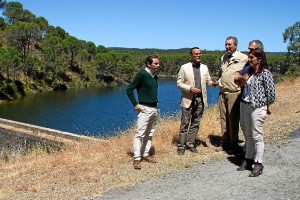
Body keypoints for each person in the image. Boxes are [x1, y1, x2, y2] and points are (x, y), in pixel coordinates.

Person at [236, 48, 275, 177]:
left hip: (258, 107)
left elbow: (271, 94)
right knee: (248, 134)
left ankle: (258, 163)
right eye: (249, 57)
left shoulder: (265, 74)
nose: (249, 59)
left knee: (257, 135)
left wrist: (265, 106)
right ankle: (248, 159)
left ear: (259, 59)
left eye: (252, 57)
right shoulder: (250, 72)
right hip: (247, 105)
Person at [177, 47, 218, 155]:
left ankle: (190, 144)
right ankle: (181, 146)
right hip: (188, 99)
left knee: (195, 124)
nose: (198, 55)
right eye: (196, 54)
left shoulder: (204, 68)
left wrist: (213, 84)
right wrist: (190, 89)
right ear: (191, 55)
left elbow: (208, 82)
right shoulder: (184, 67)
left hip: (200, 100)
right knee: (184, 124)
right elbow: (179, 84)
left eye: (200, 53)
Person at [126, 55, 160, 170]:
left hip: (155, 108)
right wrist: (135, 104)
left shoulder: (154, 76)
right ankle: (136, 158)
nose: (158, 65)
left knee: (150, 133)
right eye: (156, 63)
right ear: (148, 64)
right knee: (139, 134)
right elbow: (129, 89)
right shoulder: (142, 74)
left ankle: (145, 155)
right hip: (145, 109)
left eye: (158, 63)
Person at [217, 36, 248, 154]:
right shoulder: (224, 57)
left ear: (236, 45)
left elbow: (249, 73)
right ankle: (225, 143)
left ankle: (233, 145)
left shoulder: (244, 58)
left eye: (230, 44)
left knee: (233, 120)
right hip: (222, 92)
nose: (227, 47)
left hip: (235, 93)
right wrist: (218, 82)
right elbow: (222, 73)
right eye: (226, 44)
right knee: (223, 119)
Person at [234, 40, 264, 154]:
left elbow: (245, 80)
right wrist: (241, 79)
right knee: (244, 127)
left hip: (254, 104)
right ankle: (248, 152)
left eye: (251, 49)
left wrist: (241, 79)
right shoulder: (248, 65)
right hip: (243, 100)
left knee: (254, 131)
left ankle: (255, 156)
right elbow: (238, 80)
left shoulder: (261, 68)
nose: (248, 51)